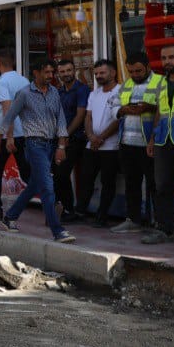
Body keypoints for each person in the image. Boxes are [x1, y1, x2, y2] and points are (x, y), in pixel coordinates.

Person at [0, 59, 75, 243]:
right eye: (47, 72)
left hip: (51, 145)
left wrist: (61, 146)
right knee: (48, 188)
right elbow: (9, 118)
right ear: (36, 73)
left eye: (51, 73)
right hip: (34, 145)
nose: (50, 76)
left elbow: (61, 120)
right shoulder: (24, 94)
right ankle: (58, 230)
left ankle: (10, 217)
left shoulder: (55, 92)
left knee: (34, 185)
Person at [112, 51, 162, 234]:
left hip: (149, 143)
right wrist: (122, 110)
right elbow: (113, 106)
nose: (134, 75)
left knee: (155, 184)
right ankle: (133, 220)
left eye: (138, 71)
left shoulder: (161, 83)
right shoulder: (126, 85)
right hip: (127, 142)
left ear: (148, 67)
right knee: (132, 183)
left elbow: (165, 110)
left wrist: (150, 108)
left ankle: (160, 222)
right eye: (131, 71)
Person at [0, 47, 32, 220]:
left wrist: (6, 137)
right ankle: (52, 201)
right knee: (27, 173)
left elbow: (8, 109)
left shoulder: (1, 83)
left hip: (4, 136)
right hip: (23, 134)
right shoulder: (24, 80)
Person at [74, 59, 121, 228]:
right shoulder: (94, 93)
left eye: (102, 73)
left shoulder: (121, 91)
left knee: (108, 183)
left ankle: (102, 217)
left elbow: (118, 120)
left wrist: (101, 138)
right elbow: (88, 117)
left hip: (111, 146)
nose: (99, 76)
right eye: (96, 74)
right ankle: (80, 212)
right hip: (91, 145)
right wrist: (91, 136)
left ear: (113, 73)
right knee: (86, 179)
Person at [143, 44, 174, 245]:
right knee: (162, 186)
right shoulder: (161, 83)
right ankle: (165, 229)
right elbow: (159, 112)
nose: (168, 61)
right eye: (164, 58)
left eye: (172, 57)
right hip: (163, 140)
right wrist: (152, 139)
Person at [52, 58, 90, 221]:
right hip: (60, 139)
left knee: (62, 173)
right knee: (57, 174)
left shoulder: (82, 89)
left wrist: (64, 135)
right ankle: (62, 208)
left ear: (74, 70)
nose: (66, 74)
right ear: (58, 74)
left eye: (68, 70)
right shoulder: (58, 91)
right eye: (62, 71)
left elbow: (80, 115)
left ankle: (71, 210)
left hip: (76, 139)